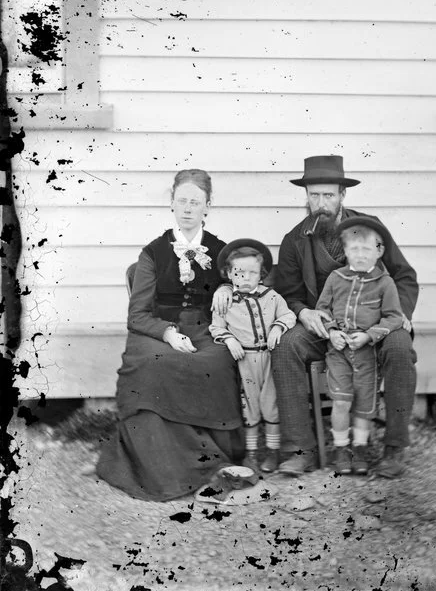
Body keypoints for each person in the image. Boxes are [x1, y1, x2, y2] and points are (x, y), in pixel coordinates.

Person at [96, 169, 244, 501]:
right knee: (153, 366)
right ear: (172, 204)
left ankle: (216, 459)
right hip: (156, 330)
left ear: (208, 207)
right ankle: (166, 469)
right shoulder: (153, 253)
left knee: (219, 361)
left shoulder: (221, 250)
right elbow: (137, 315)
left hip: (205, 329)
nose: (188, 208)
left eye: (196, 202)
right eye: (182, 201)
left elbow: (238, 283)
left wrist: (224, 285)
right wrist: (168, 334)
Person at [272, 155, 419, 478]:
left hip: (377, 320)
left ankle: (394, 448)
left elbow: (404, 276)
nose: (321, 204)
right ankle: (301, 449)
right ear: (306, 196)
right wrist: (302, 311)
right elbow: (288, 293)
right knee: (285, 346)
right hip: (325, 326)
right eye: (314, 196)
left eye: (329, 195)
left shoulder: (371, 229)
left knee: (398, 347)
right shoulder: (294, 241)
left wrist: (402, 314)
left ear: (342, 195)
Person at [316, 218, 404, 476]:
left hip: (367, 353)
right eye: (355, 249)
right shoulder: (336, 278)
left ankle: (361, 447)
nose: (361, 255)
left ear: (379, 251)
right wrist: (332, 332)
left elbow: (394, 317)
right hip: (339, 352)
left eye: (367, 249)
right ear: (345, 252)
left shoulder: (384, 283)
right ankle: (342, 448)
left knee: (365, 404)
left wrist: (369, 335)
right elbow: (322, 309)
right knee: (342, 402)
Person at [209, 239, 296, 474]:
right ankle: (251, 453)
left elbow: (289, 316)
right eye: (239, 273)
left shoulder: (272, 297)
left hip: (268, 358)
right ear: (229, 274)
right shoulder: (225, 301)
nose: (246, 278)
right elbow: (216, 327)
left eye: (252, 273)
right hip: (243, 360)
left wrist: (278, 327)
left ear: (261, 275)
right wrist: (229, 339)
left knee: (271, 405)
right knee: (249, 407)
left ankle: (273, 451)